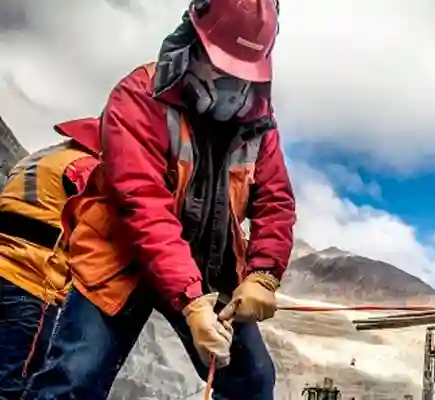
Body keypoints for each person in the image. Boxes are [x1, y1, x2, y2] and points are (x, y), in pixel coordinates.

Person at [23, 0, 294, 399]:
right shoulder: (138, 98)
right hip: (121, 258)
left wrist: (264, 274)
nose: (230, 84)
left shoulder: (260, 123)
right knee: (73, 378)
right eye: (222, 67)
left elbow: (275, 200)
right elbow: (143, 206)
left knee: (251, 383)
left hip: (208, 263)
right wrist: (190, 301)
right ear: (192, 45)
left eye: (241, 73)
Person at [0, 118, 101, 398]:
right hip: (30, 284)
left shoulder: (38, 159)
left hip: (4, 269)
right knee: (14, 385)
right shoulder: (85, 167)